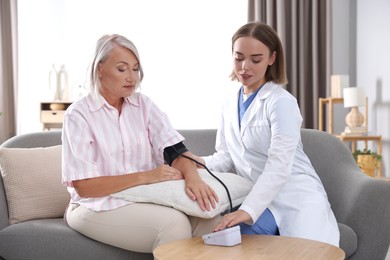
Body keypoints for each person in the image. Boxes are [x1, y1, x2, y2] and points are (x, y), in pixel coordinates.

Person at [61, 34, 221, 253]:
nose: (131, 77)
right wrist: (146, 177)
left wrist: (194, 179)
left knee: (212, 219)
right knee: (174, 225)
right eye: (122, 69)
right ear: (100, 69)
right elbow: (85, 186)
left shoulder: (143, 105)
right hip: (95, 205)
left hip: (144, 198)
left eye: (135, 69)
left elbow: (175, 151)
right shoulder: (79, 115)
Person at [192, 22, 340, 247]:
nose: (244, 67)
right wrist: (198, 163)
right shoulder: (228, 103)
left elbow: (279, 165)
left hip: (294, 197)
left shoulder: (281, 102)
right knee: (220, 243)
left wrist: (247, 211)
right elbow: (227, 156)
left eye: (255, 59)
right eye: (239, 57)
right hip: (259, 198)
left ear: (272, 58)